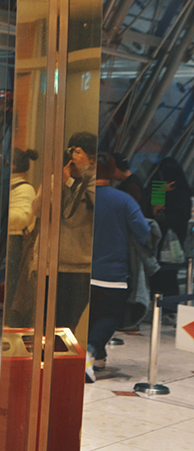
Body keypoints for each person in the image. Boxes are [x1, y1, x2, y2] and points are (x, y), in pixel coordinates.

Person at [87, 154, 150, 382]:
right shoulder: (124, 200)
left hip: (82, 270)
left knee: (90, 315)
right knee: (111, 316)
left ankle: (98, 358)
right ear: (112, 170)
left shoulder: (81, 197)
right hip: (112, 272)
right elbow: (143, 231)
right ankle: (89, 352)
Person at [57, 132, 97, 332]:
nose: (73, 156)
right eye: (71, 151)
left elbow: (98, 205)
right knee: (55, 323)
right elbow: (38, 210)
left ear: (92, 157)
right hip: (58, 263)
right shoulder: (66, 180)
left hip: (81, 265)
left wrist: (86, 171)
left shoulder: (93, 181)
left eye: (78, 152)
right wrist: (61, 184)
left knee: (69, 325)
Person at [144, 156, 192, 318]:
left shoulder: (181, 193)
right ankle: (161, 306)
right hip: (158, 238)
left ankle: (169, 307)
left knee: (168, 274)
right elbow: (153, 212)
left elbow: (165, 215)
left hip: (171, 240)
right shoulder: (159, 188)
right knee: (159, 273)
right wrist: (160, 192)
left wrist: (161, 212)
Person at [5, 148, 39, 327]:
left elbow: (22, 217)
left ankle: (10, 320)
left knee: (12, 284)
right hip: (7, 240)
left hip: (15, 241)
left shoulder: (24, 188)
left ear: (13, 166)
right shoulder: (7, 185)